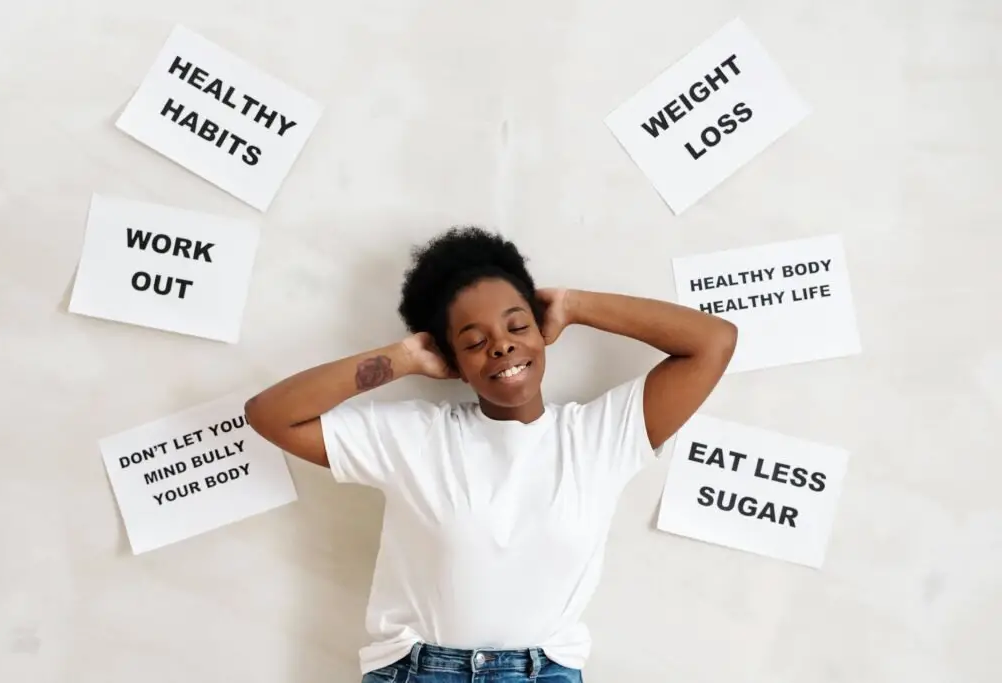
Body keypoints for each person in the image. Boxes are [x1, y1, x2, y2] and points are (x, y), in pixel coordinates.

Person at [244, 226, 737, 682]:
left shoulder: (601, 436)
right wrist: (404, 359)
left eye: (517, 326)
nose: (501, 346)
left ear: (542, 330)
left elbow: (713, 341)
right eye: (475, 341)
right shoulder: (415, 438)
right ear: (453, 362)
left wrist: (574, 304)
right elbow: (271, 414)